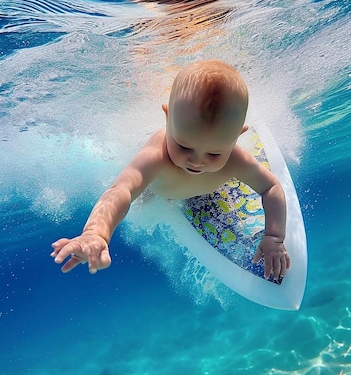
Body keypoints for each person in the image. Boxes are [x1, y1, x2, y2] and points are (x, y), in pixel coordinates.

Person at [51, 60, 290, 281]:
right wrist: (96, 233)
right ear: (167, 119)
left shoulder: (236, 159)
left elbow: (270, 187)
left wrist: (274, 237)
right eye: (184, 146)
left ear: (237, 136)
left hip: (207, 189)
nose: (197, 161)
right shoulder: (157, 158)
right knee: (142, 196)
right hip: (159, 191)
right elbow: (122, 190)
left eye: (215, 153)